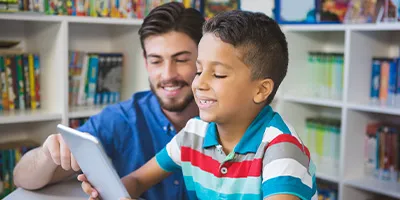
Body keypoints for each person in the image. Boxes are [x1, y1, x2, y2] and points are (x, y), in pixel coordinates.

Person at [80, 10, 318, 200]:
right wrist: (111, 192)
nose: (199, 83)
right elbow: (138, 181)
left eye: (219, 75)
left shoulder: (281, 151)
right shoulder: (194, 134)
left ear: (261, 89)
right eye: (199, 70)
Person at [12, 2, 205, 200]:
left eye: (181, 60)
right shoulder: (121, 119)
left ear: (203, 60)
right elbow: (22, 178)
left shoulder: (227, 119)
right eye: (156, 61)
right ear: (146, 63)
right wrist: (47, 154)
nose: (168, 74)